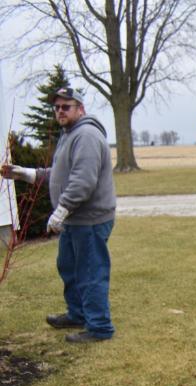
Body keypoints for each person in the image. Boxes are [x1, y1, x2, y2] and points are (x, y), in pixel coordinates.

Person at [1, 85, 116, 343]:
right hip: (75, 220)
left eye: (66, 106)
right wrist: (26, 173)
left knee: (90, 271)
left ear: (81, 108)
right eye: (57, 107)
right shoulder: (69, 134)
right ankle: (78, 314)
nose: (60, 111)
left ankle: (99, 327)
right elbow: (60, 175)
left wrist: (60, 211)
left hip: (89, 220)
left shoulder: (85, 135)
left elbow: (82, 182)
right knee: (69, 267)